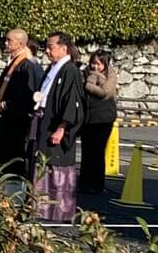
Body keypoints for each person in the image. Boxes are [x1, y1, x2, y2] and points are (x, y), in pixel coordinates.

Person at [30, 32, 84, 221]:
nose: (46, 51)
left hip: (57, 125)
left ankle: (59, 211)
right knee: (42, 161)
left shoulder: (70, 71)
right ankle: (40, 208)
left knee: (56, 165)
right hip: (44, 119)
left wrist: (62, 127)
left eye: (50, 47)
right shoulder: (53, 68)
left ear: (63, 48)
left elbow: (73, 102)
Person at [0, 27, 41, 176]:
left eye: (9, 40)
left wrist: (5, 104)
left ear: (20, 43)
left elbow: (26, 96)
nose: (6, 43)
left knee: (11, 159)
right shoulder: (13, 63)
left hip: (14, 121)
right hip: (4, 119)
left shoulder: (25, 66)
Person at [78, 49, 119, 195]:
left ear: (105, 64)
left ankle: (96, 184)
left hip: (103, 118)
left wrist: (94, 80)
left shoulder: (111, 74)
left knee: (98, 152)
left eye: (99, 64)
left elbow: (106, 92)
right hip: (87, 118)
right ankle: (84, 182)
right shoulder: (84, 73)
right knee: (86, 151)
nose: (95, 67)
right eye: (93, 63)